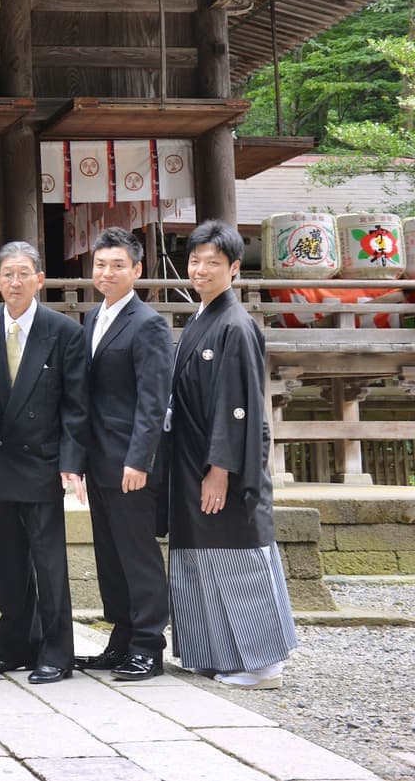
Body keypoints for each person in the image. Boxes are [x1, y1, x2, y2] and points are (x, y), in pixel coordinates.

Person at [165, 219, 297, 689]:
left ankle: (263, 664)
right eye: (195, 260)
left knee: (238, 558)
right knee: (201, 557)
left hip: (223, 463)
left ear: (235, 268)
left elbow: (236, 405)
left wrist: (219, 469)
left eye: (213, 263)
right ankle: (215, 652)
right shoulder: (201, 318)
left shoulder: (236, 325)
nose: (200, 270)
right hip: (191, 458)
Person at [0, 242, 88, 685]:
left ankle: (57, 651)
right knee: (8, 561)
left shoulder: (64, 330)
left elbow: (76, 405)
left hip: (42, 461)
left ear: (39, 280)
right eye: (7, 274)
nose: (15, 282)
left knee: (49, 562)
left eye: (24, 274)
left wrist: (71, 461)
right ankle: (16, 645)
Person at [77, 227, 173, 682]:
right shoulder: (91, 318)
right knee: (110, 555)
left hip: (131, 461)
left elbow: (154, 399)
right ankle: (121, 638)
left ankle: (149, 646)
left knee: (137, 554)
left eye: (118, 265)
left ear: (137, 269)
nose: (107, 273)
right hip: (98, 459)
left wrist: (140, 460)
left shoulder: (148, 323)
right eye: (101, 264)